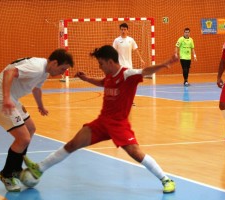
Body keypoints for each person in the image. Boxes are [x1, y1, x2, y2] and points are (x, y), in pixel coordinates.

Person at [24, 45, 178, 193]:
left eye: (101, 63)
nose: (100, 67)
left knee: (136, 153)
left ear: (110, 62)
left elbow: (145, 71)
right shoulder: (109, 76)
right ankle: (39, 169)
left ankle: (166, 180)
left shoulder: (127, 74)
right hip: (102, 122)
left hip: (119, 124)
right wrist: (86, 79)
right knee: (73, 144)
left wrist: (165, 64)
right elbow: (102, 82)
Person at [0, 49, 74, 192]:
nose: (62, 73)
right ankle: (6, 174)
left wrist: (41, 106)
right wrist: (6, 98)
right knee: (23, 138)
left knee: (31, 128)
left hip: (11, 98)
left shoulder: (44, 70)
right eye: (62, 69)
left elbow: (36, 89)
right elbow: (9, 73)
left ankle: (16, 168)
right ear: (55, 62)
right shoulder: (37, 67)